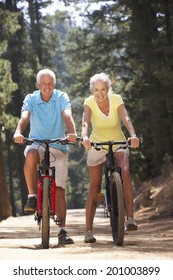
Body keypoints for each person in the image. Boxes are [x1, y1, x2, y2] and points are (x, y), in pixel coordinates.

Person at [13, 68, 77, 245]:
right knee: (31, 154)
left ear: (54, 85)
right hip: (37, 143)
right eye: (43, 84)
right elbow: (25, 116)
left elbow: (67, 114)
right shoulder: (31, 98)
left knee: (59, 190)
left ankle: (62, 231)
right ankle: (32, 196)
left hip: (59, 145)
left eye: (50, 83)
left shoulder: (61, 97)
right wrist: (19, 131)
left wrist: (72, 132)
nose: (47, 87)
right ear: (38, 85)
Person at [81, 73, 140, 243]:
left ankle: (130, 219)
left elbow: (125, 117)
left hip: (118, 141)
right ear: (92, 90)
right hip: (97, 143)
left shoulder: (116, 99)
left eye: (103, 89)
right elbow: (85, 121)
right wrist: (85, 137)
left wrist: (133, 135)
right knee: (94, 186)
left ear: (108, 89)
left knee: (126, 172)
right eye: (96, 90)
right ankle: (88, 231)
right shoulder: (89, 102)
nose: (100, 93)